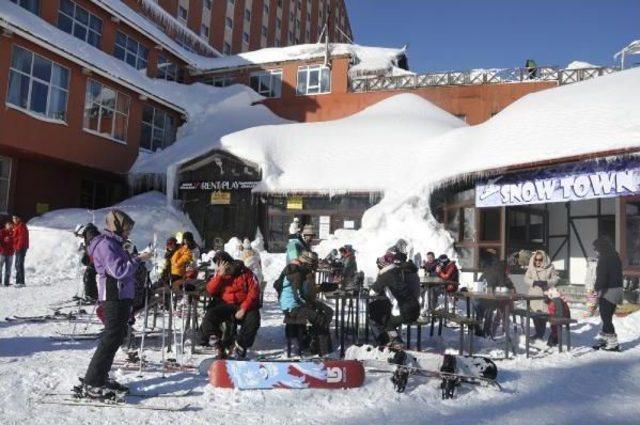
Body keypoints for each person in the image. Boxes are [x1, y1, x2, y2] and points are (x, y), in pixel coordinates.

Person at [78, 210, 151, 399]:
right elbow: (118, 271)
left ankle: (100, 376)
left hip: (120, 296)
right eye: (126, 228)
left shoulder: (114, 243)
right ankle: (93, 381)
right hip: (113, 296)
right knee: (111, 338)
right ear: (116, 226)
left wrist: (133, 257)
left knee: (116, 337)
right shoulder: (106, 244)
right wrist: (138, 259)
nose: (128, 232)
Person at [199, 251, 261, 359]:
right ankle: (218, 344)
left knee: (253, 319)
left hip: (242, 305)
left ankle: (241, 345)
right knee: (210, 315)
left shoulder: (245, 273)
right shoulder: (220, 274)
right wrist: (219, 276)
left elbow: (254, 292)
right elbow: (210, 290)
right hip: (225, 304)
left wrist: (243, 308)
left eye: (225, 267)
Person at [277, 251, 333, 355]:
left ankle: (317, 343)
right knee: (319, 318)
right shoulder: (296, 273)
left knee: (327, 311)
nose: (315, 267)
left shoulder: (302, 272)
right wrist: (310, 305)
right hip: (292, 307)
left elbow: (306, 292)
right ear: (308, 263)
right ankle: (322, 350)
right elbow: (298, 295)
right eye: (314, 264)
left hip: (297, 304)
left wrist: (320, 289)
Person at [368, 252, 420, 347]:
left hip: (404, 310)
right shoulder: (399, 271)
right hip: (415, 307)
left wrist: (376, 285)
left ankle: (395, 341)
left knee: (388, 323)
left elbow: (372, 292)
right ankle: (391, 340)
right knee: (384, 313)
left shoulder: (385, 275)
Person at [593, 236, 623, 351]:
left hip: (608, 290)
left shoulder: (605, 258)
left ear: (601, 247)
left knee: (605, 317)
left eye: (596, 248)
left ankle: (613, 343)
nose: (595, 250)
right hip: (616, 290)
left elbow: (602, 277)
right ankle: (604, 340)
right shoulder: (614, 256)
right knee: (606, 316)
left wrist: (597, 289)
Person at [524, 250, 559, 340]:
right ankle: (538, 332)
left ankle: (540, 334)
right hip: (533, 295)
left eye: (540, 259)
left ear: (544, 259)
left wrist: (547, 282)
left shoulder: (550, 267)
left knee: (543, 315)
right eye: (536, 259)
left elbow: (556, 279)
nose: (538, 261)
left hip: (545, 294)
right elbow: (526, 278)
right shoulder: (531, 267)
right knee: (535, 315)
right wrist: (534, 282)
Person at [474, 260, 515, 338]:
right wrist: (509, 289)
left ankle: (478, 330)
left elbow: (479, 282)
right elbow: (502, 288)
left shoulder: (487, 271)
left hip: (479, 298)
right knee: (491, 309)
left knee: (481, 312)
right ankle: (487, 331)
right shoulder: (500, 272)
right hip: (491, 300)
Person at [75, 223, 101, 302]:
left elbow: (92, 247)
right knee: (88, 275)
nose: (80, 237)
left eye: (79, 235)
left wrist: (84, 248)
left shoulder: (90, 233)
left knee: (88, 275)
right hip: (97, 259)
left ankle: (92, 296)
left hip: (99, 259)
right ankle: (91, 295)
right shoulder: (90, 232)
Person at [12, 215, 28, 287]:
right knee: (17, 264)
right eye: (13, 218)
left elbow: (22, 237)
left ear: (19, 218)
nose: (14, 219)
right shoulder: (16, 226)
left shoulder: (21, 225)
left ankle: (21, 282)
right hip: (17, 248)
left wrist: (18, 247)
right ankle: (18, 281)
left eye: (15, 218)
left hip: (21, 248)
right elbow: (15, 237)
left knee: (20, 264)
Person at [0, 221, 14, 286]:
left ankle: (6, 282)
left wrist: (10, 239)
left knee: (8, 268)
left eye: (11, 225)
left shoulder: (13, 233)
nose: (10, 226)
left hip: (10, 254)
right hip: (2, 253)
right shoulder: (2, 231)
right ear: (6, 225)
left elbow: (15, 242)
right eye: (8, 224)